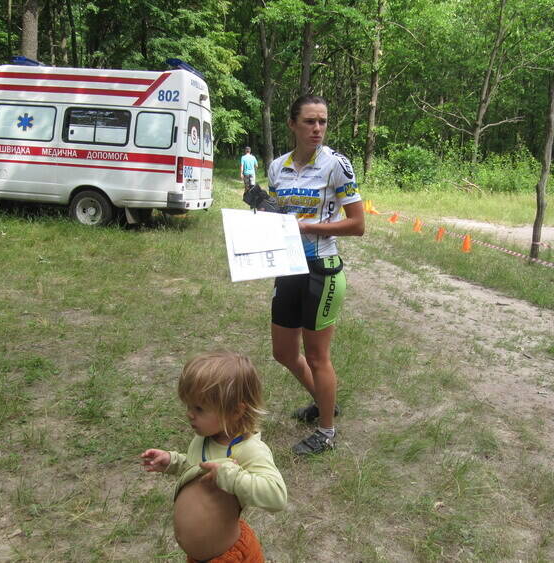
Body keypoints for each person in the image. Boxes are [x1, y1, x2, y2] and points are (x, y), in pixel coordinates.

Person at [267, 95, 365, 455]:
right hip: (288, 267)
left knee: (317, 356)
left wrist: (309, 227)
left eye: (322, 121)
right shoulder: (277, 167)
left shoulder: (336, 164)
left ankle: (326, 431)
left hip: (322, 270)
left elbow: (357, 224)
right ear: (292, 124)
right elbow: (278, 217)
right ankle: (324, 401)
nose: (317, 128)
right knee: (283, 352)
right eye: (309, 121)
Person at [140, 351, 287, 562]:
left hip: (229, 557)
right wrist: (173, 462)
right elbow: (197, 470)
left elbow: (277, 496)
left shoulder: (249, 450)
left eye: (199, 408)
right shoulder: (204, 438)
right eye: (188, 406)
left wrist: (233, 477)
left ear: (235, 411)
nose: (189, 414)